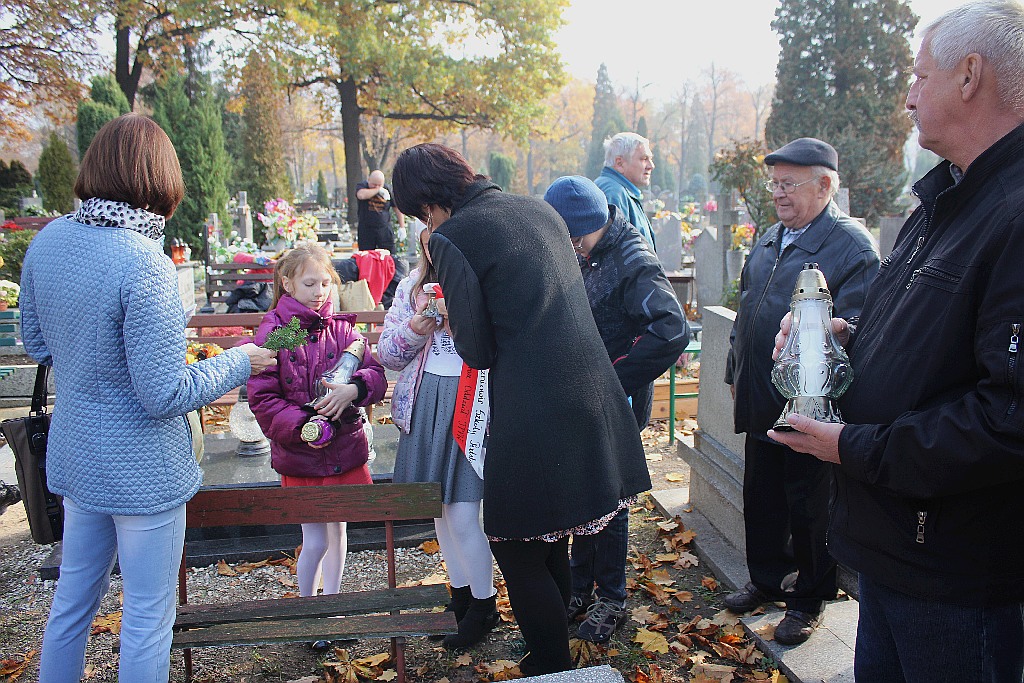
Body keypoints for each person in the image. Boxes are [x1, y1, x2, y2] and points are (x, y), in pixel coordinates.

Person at [770, 1, 1024, 677]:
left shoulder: (1014, 213)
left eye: (919, 76)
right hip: (894, 550)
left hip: (956, 572)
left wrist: (853, 445)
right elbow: (933, 338)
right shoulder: (944, 202)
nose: (908, 97)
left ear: (970, 76)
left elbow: (1010, 418)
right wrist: (839, 339)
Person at [20, 113, 278, 681]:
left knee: (71, 604)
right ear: (157, 181)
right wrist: (239, 360)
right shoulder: (145, 263)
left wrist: (86, 358)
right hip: (142, 469)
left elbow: (37, 342)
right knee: (145, 616)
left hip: (77, 454)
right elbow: (164, 393)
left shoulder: (50, 240)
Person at [392, 143, 650, 676]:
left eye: (421, 211)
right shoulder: (537, 208)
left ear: (429, 201)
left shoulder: (454, 236)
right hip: (592, 391)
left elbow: (478, 349)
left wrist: (453, 316)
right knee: (548, 533)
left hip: (535, 406)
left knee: (514, 543)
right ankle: (549, 656)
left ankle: (549, 664)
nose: (426, 222)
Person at [723, 137, 879, 645]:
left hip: (810, 405)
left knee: (809, 505)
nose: (778, 194)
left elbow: (863, 323)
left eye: (789, 184)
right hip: (762, 394)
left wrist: (839, 329)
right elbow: (747, 310)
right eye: (775, 184)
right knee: (761, 495)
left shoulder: (849, 247)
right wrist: (734, 371)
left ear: (825, 184)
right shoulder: (771, 237)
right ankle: (765, 579)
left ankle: (808, 597)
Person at [544, 176, 689, 643]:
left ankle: (611, 597)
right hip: (580, 392)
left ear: (590, 226)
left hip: (615, 393)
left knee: (609, 495)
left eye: (572, 239)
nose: (569, 248)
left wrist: (612, 380)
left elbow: (670, 329)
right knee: (585, 491)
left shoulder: (632, 260)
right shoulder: (586, 248)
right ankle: (580, 587)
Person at [247, 244, 387, 638]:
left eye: (326, 282)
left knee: (339, 531)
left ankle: (335, 607)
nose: (320, 291)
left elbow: (374, 374)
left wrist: (355, 390)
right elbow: (263, 397)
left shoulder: (343, 328)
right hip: (301, 454)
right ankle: (309, 611)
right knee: (313, 539)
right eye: (310, 283)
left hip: (344, 449)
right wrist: (304, 426)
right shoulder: (280, 331)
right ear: (287, 283)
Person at [377, 226, 497, 650]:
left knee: (464, 515)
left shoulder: (483, 280)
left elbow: (496, 342)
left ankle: (486, 605)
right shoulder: (411, 286)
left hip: (470, 404)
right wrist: (417, 324)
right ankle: (460, 597)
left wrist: (459, 314)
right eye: (430, 234)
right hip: (424, 403)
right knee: (439, 513)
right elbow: (387, 354)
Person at [594, 132, 657, 249]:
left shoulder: (620, 190)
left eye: (650, 159)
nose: (651, 166)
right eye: (644, 159)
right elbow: (613, 253)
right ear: (620, 163)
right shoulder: (613, 193)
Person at [355, 170, 405, 252]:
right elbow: (361, 195)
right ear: (369, 180)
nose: (376, 186)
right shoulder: (362, 186)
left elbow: (397, 208)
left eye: (379, 185)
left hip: (384, 228)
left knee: (389, 255)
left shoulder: (387, 189)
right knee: (366, 256)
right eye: (374, 184)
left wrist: (402, 226)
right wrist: (377, 190)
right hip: (366, 229)